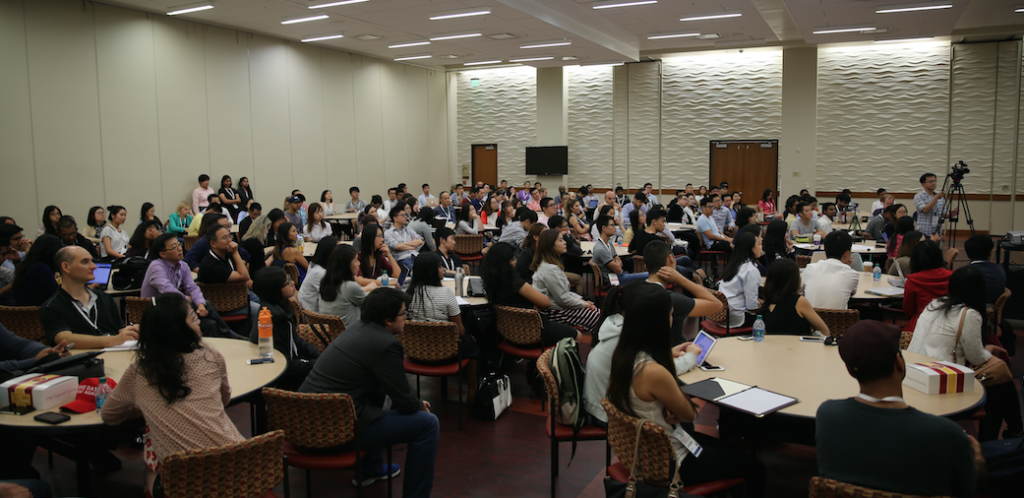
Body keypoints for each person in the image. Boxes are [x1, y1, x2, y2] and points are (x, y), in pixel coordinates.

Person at [605, 283, 766, 495]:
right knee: (755, 466)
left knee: (727, 449)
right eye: (671, 314)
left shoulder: (622, 356)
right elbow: (688, 413)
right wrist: (675, 402)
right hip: (670, 462)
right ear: (659, 322)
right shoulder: (654, 372)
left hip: (643, 451)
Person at [100, 293, 245, 497]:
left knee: (151, 453)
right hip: (240, 466)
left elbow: (109, 415)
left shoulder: (139, 372)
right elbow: (223, 400)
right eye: (193, 318)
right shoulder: (211, 357)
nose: (199, 321)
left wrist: (147, 407)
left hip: (185, 483)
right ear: (179, 329)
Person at [817, 320, 983, 498]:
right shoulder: (946, 433)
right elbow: (969, 490)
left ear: (850, 371)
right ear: (899, 363)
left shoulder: (828, 416)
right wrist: (979, 461)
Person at [299, 287, 437, 496]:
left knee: (374, 396)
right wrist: (417, 405)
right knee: (428, 424)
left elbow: (389, 387)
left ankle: (370, 469)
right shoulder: (386, 344)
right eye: (403, 313)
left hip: (303, 424)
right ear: (388, 320)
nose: (406, 317)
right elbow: (404, 400)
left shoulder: (357, 328)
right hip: (334, 431)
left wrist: (413, 402)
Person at [908, 266, 1023, 441]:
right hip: (940, 380)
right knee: (1000, 385)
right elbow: (976, 357)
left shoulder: (935, 303)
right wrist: (990, 349)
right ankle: (1004, 436)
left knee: (999, 388)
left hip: (913, 372)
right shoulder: (969, 314)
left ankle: (1014, 430)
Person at [584, 282, 704, 423]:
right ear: (658, 320)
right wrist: (690, 357)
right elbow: (656, 376)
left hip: (597, 407)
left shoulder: (616, 328)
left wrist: (669, 352)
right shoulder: (626, 345)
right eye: (671, 314)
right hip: (609, 419)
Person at [406, 252, 479, 399]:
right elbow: (459, 331)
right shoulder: (446, 293)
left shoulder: (408, 293)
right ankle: (472, 390)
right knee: (470, 340)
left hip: (416, 351)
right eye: (440, 266)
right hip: (445, 353)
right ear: (431, 272)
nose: (443, 269)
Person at [39, 246, 139, 348]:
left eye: (92, 261)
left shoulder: (104, 298)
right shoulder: (51, 307)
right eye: (85, 262)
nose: (94, 266)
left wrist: (131, 333)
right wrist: (113, 340)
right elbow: (66, 339)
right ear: (66, 267)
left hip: (114, 355)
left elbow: (120, 330)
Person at [142, 233, 237, 338]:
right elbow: (167, 290)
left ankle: (219, 341)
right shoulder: (156, 267)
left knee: (210, 324)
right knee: (207, 304)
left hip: (174, 309)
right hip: (157, 312)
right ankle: (230, 334)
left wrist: (200, 305)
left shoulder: (183, 265)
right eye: (174, 247)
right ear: (163, 254)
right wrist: (187, 299)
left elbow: (192, 287)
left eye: (179, 245)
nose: (180, 249)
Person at [481, 243, 580, 343]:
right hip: (535, 331)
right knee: (578, 335)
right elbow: (546, 302)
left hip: (509, 333)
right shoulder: (515, 283)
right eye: (512, 259)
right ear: (504, 264)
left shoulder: (491, 281)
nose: (516, 262)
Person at [250, 267, 319, 390]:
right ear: (276, 292)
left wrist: (319, 356)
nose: (292, 283)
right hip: (284, 381)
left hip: (292, 369)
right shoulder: (274, 320)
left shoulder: (280, 309)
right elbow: (283, 364)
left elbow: (295, 340)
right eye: (287, 283)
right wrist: (315, 365)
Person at [643, 240, 722, 345]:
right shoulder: (670, 299)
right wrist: (681, 279)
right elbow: (717, 305)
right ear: (671, 259)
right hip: (674, 351)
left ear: (645, 267)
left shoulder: (633, 291)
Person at [530, 229, 601, 333]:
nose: (565, 242)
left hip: (558, 308)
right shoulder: (550, 269)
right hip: (556, 312)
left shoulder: (549, 264)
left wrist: (582, 301)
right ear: (551, 246)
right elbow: (563, 299)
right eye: (560, 240)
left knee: (598, 314)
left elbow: (564, 294)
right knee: (599, 318)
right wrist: (584, 304)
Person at [760, 259, 830, 336]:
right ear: (794, 279)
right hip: (796, 343)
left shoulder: (767, 303)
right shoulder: (798, 301)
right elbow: (825, 332)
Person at [320, 244, 378, 327]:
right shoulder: (350, 286)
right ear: (346, 265)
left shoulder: (326, 282)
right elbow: (373, 305)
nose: (359, 263)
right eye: (356, 260)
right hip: (352, 331)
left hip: (330, 331)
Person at [902, 240, 952, 333]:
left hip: (921, 328)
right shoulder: (953, 277)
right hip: (949, 326)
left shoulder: (912, 281)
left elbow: (908, 311)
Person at [801, 231, 859, 310]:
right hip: (838, 317)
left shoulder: (810, 269)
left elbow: (800, 289)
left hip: (809, 316)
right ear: (847, 253)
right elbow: (852, 292)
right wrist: (846, 267)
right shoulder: (853, 275)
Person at [717, 232, 762, 328]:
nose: (761, 247)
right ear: (750, 248)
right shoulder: (751, 270)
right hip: (738, 318)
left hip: (721, 314)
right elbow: (751, 306)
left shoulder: (733, 264)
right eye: (759, 244)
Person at [592, 214, 648, 287]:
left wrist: (616, 263)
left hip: (620, 275)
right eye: (612, 225)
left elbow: (619, 262)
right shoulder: (601, 248)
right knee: (649, 275)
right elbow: (618, 269)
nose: (615, 227)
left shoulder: (609, 243)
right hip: (614, 281)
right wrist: (616, 263)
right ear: (604, 228)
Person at [184, 214, 251, 270]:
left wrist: (238, 267)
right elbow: (188, 260)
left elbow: (245, 254)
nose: (228, 230)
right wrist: (203, 271)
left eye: (229, 226)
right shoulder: (203, 242)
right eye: (224, 227)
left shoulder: (229, 240)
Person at [11, 234, 61, 306]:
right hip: (37, 310)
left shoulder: (28, 265)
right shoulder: (40, 268)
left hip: (26, 310)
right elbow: (56, 294)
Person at [384, 205, 423, 286]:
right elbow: (397, 246)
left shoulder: (408, 230)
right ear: (395, 218)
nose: (406, 217)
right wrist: (412, 245)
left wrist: (403, 245)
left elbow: (420, 241)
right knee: (414, 271)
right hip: (402, 258)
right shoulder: (388, 233)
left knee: (429, 265)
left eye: (405, 215)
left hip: (416, 255)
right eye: (402, 215)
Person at [296, 237, 338, 312]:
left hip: (310, 308)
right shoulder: (320, 273)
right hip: (312, 313)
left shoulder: (314, 265)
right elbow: (334, 296)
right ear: (330, 253)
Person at [964, 234, 1006, 305]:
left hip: (969, 308)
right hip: (992, 307)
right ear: (990, 253)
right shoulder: (1000, 271)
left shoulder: (963, 273)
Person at [915, 173, 949, 238]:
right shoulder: (919, 196)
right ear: (923, 184)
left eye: (934, 181)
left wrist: (950, 214)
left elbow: (942, 214)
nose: (933, 183)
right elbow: (925, 210)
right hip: (924, 232)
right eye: (930, 181)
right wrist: (936, 198)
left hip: (937, 232)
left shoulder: (940, 197)